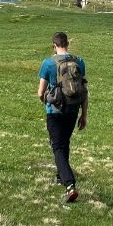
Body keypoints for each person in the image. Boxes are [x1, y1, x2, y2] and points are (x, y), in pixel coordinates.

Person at [37, 31, 87, 202]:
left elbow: (40, 92)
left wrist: (46, 102)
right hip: (73, 109)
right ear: (68, 44)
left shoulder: (48, 63)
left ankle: (69, 185)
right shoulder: (79, 61)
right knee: (64, 142)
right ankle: (60, 176)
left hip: (55, 111)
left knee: (57, 146)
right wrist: (84, 115)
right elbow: (84, 91)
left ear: (54, 45)